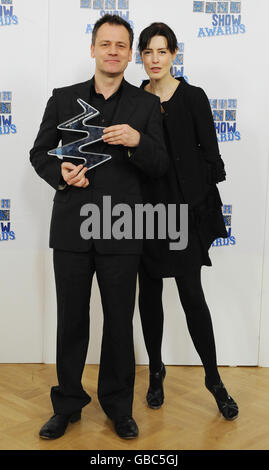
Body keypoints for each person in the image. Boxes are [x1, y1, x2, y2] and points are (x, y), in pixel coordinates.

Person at [30, 15, 168, 440]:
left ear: (130, 54)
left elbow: (161, 164)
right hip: (72, 227)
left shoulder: (145, 106)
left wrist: (137, 142)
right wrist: (62, 170)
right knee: (71, 319)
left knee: (118, 323)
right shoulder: (63, 98)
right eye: (104, 44)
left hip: (123, 229)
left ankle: (118, 407)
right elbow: (39, 154)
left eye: (121, 45)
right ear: (92, 49)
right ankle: (68, 404)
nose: (112, 51)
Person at [137, 22, 238, 421]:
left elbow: (213, 159)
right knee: (149, 298)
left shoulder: (193, 97)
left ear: (174, 54)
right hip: (143, 217)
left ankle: (214, 381)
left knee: (192, 298)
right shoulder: (133, 99)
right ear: (140, 57)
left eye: (162, 51)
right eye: (148, 52)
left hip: (183, 214)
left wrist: (192, 202)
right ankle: (156, 372)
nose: (155, 59)